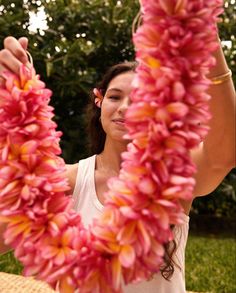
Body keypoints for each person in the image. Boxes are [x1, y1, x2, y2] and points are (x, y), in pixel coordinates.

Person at [0, 36, 235, 293]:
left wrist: (205, 37)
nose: (125, 108)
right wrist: (11, 99)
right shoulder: (67, 179)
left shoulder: (172, 177)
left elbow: (225, 152)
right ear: (99, 103)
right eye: (115, 97)